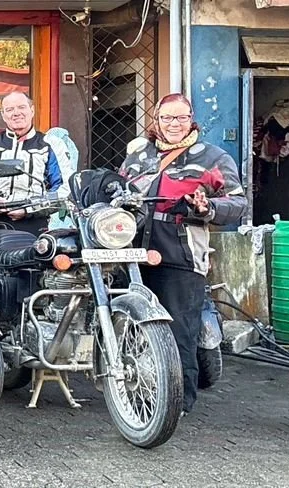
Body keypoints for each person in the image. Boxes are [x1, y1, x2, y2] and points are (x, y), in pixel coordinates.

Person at [118, 93, 247, 415]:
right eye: (167, 118)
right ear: (156, 120)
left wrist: (208, 208)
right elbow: (118, 192)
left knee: (179, 331)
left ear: (191, 120)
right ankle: (136, 392)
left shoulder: (212, 157)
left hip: (180, 252)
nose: (174, 124)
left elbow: (238, 203)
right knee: (130, 323)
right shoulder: (139, 154)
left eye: (181, 118)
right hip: (131, 250)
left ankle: (178, 402)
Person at [0, 92, 71, 234]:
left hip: (36, 225)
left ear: (32, 110)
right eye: (10, 110)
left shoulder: (52, 144)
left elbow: (65, 188)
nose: (16, 113)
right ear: (3, 115)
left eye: (21, 107)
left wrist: (29, 209)